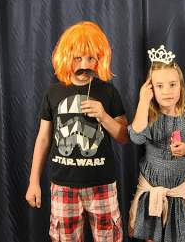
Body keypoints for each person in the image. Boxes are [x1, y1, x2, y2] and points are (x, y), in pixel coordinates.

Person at [25, 21, 129, 242]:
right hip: (63, 186)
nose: (85, 65)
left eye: (91, 58)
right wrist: (34, 181)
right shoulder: (53, 93)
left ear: (100, 59)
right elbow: (43, 139)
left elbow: (124, 136)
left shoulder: (108, 92)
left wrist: (103, 116)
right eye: (78, 58)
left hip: (102, 185)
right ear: (66, 57)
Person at [128, 45, 185, 242]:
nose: (167, 91)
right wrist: (143, 102)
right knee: (151, 238)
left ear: (180, 86)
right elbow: (136, 137)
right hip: (150, 191)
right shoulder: (149, 115)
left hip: (179, 192)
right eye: (159, 86)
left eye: (172, 84)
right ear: (151, 89)